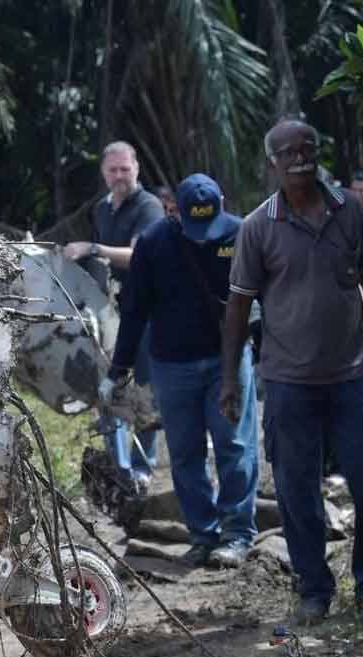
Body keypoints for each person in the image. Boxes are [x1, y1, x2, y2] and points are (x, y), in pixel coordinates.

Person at [221, 119, 363, 624]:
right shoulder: (257, 227)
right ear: (271, 162)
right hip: (289, 383)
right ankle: (314, 590)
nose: (300, 157)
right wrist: (229, 378)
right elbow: (237, 307)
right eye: (288, 151)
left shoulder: (352, 213)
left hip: (355, 377)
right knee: (298, 493)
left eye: (308, 148)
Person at [100, 174, 258, 568]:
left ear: (223, 203)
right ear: (174, 210)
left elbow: (265, 300)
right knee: (185, 453)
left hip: (229, 361)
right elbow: (133, 310)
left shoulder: (241, 235)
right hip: (172, 366)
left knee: (234, 447)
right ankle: (203, 534)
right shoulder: (154, 243)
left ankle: (237, 535)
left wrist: (269, 354)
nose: (205, 237)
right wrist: (118, 369)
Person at [64, 141, 165, 488]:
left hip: (149, 311)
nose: (120, 176)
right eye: (113, 170)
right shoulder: (102, 210)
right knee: (109, 385)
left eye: (125, 169)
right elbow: (101, 265)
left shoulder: (150, 206)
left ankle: (144, 469)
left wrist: (93, 248)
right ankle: (119, 469)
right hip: (111, 311)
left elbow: (139, 255)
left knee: (146, 389)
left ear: (137, 168)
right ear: (104, 173)